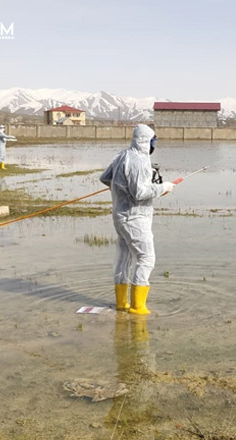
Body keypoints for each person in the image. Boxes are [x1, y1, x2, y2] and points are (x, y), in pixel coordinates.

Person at [100, 124, 175, 315]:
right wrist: (163, 187)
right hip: (135, 218)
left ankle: (121, 303)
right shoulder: (140, 161)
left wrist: (119, 189)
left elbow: (105, 178)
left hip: (120, 216)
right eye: (153, 141)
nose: (153, 145)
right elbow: (140, 192)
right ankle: (137, 307)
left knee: (124, 258)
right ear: (145, 141)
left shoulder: (122, 155)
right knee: (146, 258)